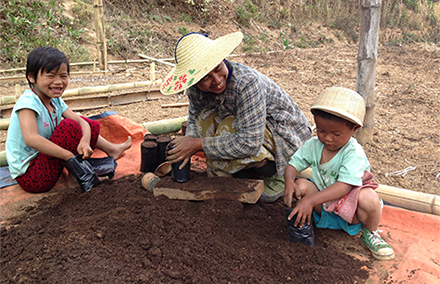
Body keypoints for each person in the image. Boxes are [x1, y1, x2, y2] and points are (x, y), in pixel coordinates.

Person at [160, 32, 312, 202]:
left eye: (218, 69)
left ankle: (277, 175)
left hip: (285, 134)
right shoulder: (195, 90)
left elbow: (249, 143)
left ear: (223, 60)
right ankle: (240, 172)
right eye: (206, 78)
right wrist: (187, 144)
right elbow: (195, 116)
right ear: (194, 81)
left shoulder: (246, 83)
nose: (217, 80)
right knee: (205, 120)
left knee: (228, 127)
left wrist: (197, 144)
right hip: (249, 128)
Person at [284, 87, 395, 260]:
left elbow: (344, 187)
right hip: (324, 202)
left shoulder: (353, 153)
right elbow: (293, 165)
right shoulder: (314, 145)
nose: (328, 138)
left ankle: (370, 233)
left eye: (336, 134)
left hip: (351, 207)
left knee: (370, 199)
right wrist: (289, 181)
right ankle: (304, 224)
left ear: (354, 129)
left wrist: (310, 200)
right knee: (300, 185)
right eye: (321, 131)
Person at [5, 46, 132, 193]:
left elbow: (82, 122)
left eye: (63, 76)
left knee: (87, 124)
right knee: (69, 127)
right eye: (51, 76)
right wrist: (68, 156)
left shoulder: (55, 100)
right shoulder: (28, 102)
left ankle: (111, 149)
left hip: (46, 161)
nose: (58, 82)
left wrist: (84, 141)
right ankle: (75, 177)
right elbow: (31, 139)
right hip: (32, 177)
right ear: (32, 77)